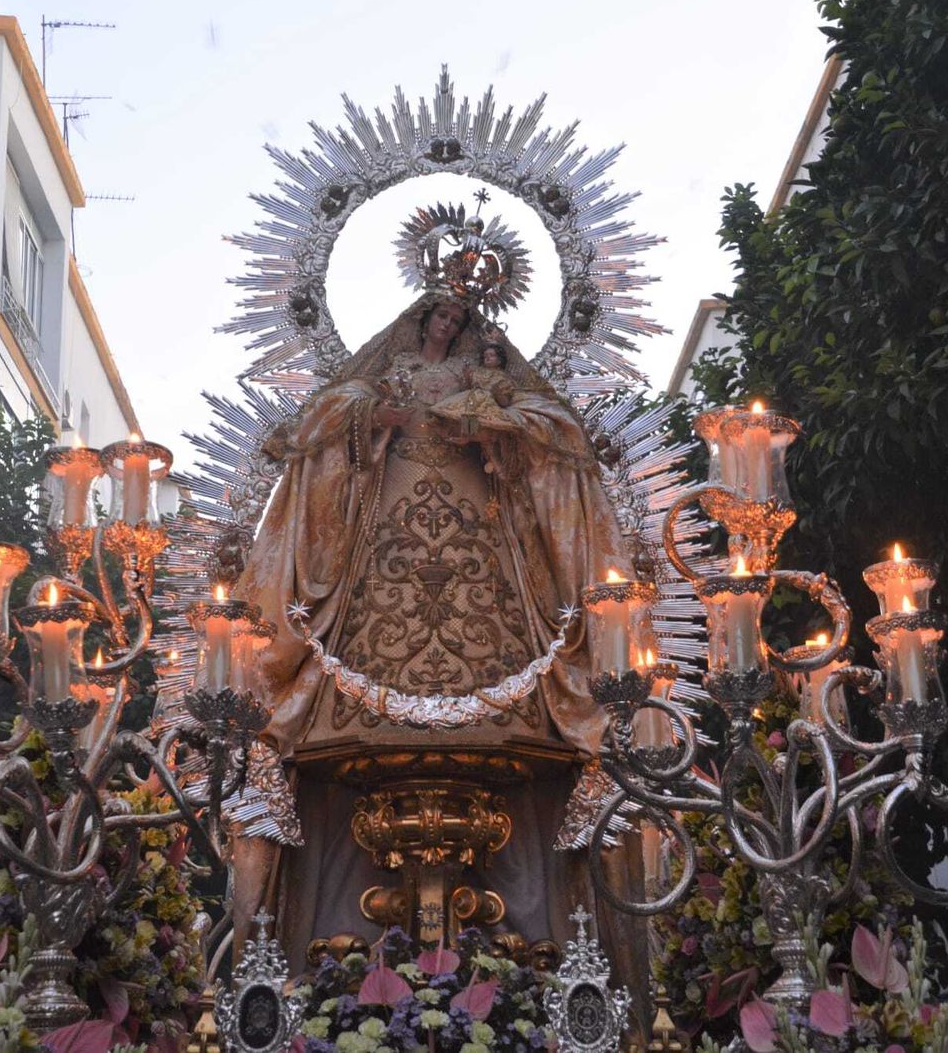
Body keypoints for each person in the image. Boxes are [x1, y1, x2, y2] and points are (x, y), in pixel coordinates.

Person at [230, 293, 646, 986]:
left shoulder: (488, 375)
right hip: (383, 547)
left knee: (532, 718)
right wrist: (377, 419)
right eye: (439, 320)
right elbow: (324, 425)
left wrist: (497, 430)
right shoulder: (383, 371)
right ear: (420, 319)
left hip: (482, 555)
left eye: (459, 322)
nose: (447, 330)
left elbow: (548, 434)